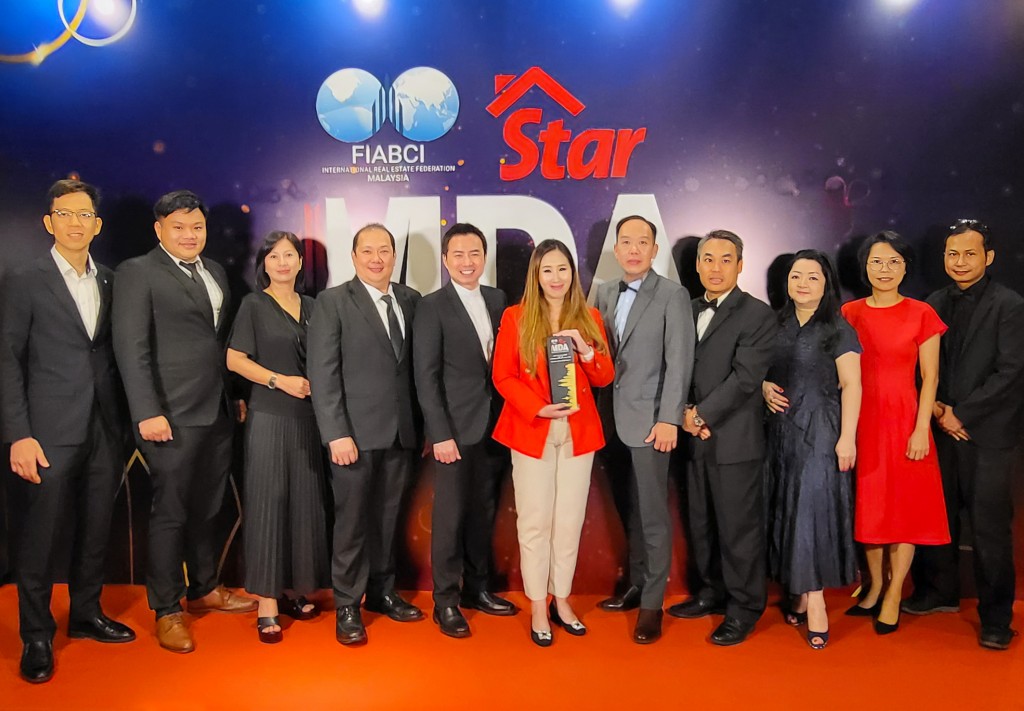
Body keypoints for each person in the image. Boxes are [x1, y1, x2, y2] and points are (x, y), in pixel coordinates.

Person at [1, 180, 135, 683]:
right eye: (66, 213)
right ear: (48, 221)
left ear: (98, 225)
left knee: (94, 528)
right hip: (45, 432)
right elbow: (7, 360)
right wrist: (18, 432)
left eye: (85, 215)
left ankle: (85, 613)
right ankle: (35, 634)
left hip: (104, 426)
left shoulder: (111, 279)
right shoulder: (24, 279)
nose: (76, 223)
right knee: (38, 537)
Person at [113, 190, 256, 654]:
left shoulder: (215, 271)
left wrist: (233, 396)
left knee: (209, 507)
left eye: (196, 227)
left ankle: (205, 588)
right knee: (171, 512)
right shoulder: (138, 273)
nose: (189, 235)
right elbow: (131, 349)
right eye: (179, 227)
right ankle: (167, 608)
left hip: (214, 410)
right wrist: (146, 411)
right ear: (159, 230)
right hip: (168, 415)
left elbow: (218, 345)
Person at [904, 220, 1024, 650]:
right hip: (938, 425)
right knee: (939, 516)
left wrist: (963, 414)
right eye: (953, 253)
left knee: (990, 528)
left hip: (987, 434)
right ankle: (940, 592)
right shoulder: (932, 302)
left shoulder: (1010, 305)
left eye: (970, 253)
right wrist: (937, 409)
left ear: (989, 257)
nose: (960, 261)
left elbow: (1011, 372)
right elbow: (921, 367)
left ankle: (996, 618)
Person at [491, 239, 613, 647]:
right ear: (536, 275)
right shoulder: (516, 316)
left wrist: (586, 351)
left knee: (569, 522)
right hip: (532, 431)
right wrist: (537, 408)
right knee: (534, 521)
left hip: (578, 434)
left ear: (572, 274)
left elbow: (604, 377)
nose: (556, 278)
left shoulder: (589, 315)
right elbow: (503, 376)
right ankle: (538, 605)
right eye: (547, 270)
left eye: (563, 269)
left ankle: (563, 599)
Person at [308, 223, 423, 646]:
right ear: (354, 257)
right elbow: (323, 373)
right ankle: (346, 604)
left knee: (388, 518)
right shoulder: (333, 302)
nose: (377, 258)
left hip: (401, 433)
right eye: (368, 251)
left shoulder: (411, 300)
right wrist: (336, 432)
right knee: (352, 523)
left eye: (385, 250)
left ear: (394, 255)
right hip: (352, 436)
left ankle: (382, 591)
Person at [668, 229, 777, 646]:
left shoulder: (758, 315)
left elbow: (746, 378)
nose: (715, 268)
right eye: (707, 259)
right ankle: (710, 593)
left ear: (740, 265)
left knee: (738, 530)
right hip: (693, 439)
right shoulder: (686, 308)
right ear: (696, 265)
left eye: (725, 259)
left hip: (734, 439)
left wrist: (700, 414)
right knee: (702, 524)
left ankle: (744, 607)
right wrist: (682, 416)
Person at [841, 231, 950, 635]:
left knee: (904, 510)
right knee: (870, 506)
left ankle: (893, 594)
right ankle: (872, 587)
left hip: (905, 419)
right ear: (864, 266)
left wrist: (922, 429)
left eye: (893, 262)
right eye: (876, 262)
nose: (884, 270)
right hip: (860, 419)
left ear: (906, 267)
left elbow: (931, 376)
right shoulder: (849, 312)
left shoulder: (922, 313)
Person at [413, 223, 517, 639]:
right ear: (445, 260)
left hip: (495, 427)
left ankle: (478, 589)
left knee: (484, 513)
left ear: (484, 256)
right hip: (452, 431)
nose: (467, 262)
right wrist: (439, 433)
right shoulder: (431, 306)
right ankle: (446, 602)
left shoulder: (498, 299)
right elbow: (426, 376)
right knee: (450, 516)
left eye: (474, 253)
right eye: (458, 254)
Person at [594, 215, 694, 644]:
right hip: (608, 422)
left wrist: (669, 418)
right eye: (626, 242)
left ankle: (653, 603)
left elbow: (680, 362)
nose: (633, 249)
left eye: (643, 242)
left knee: (653, 515)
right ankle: (636, 583)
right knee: (627, 509)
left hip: (652, 423)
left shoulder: (673, 295)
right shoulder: (602, 292)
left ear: (655, 250)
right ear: (615, 250)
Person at [226, 231, 329, 644]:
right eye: (275, 256)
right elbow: (234, 359)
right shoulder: (254, 305)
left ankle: (294, 589)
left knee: (305, 505)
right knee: (269, 505)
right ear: (264, 263)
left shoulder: (315, 307)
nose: (283, 262)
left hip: (310, 420)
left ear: (301, 263)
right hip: (269, 417)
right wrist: (278, 381)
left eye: (290, 255)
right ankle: (267, 602)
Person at [762, 250, 862, 649]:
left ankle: (816, 600)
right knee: (785, 507)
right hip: (778, 433)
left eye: (813, 277)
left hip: (821, 432)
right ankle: (799, 591)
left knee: (810, 513)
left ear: (827, 284)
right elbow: (756, 371)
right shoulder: (774, 324)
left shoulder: (838, 327)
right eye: (795, 276)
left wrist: (847, 437)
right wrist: (762, 389)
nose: (802, 283)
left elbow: (852, 384)